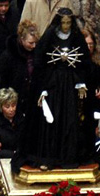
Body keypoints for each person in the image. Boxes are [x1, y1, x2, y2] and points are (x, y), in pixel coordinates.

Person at [12, 8, 92, 172]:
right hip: (53, 86)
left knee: (69, 120)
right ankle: (48, 157)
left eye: (68, 23)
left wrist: (80, 82)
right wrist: (43, 88)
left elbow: (84, 63)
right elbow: (41, 64)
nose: (65, 26)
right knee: (51, 122)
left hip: (70, 87)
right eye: (63, 22)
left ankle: (68, 156)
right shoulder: (49, 37)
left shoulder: (76, 37)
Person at [0, 19, 40, 116]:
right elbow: (0, 80)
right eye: (30, 43)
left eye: (36, 42)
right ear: (21, 39)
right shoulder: (8, 56)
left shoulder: (37, 54)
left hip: (32, 101)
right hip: (13, 103)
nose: (34, 46)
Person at [82, 29, 100, 129]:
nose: (89, 47)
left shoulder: (97, 56)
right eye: (87, 44)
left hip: (93, 97)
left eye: (91, 44)